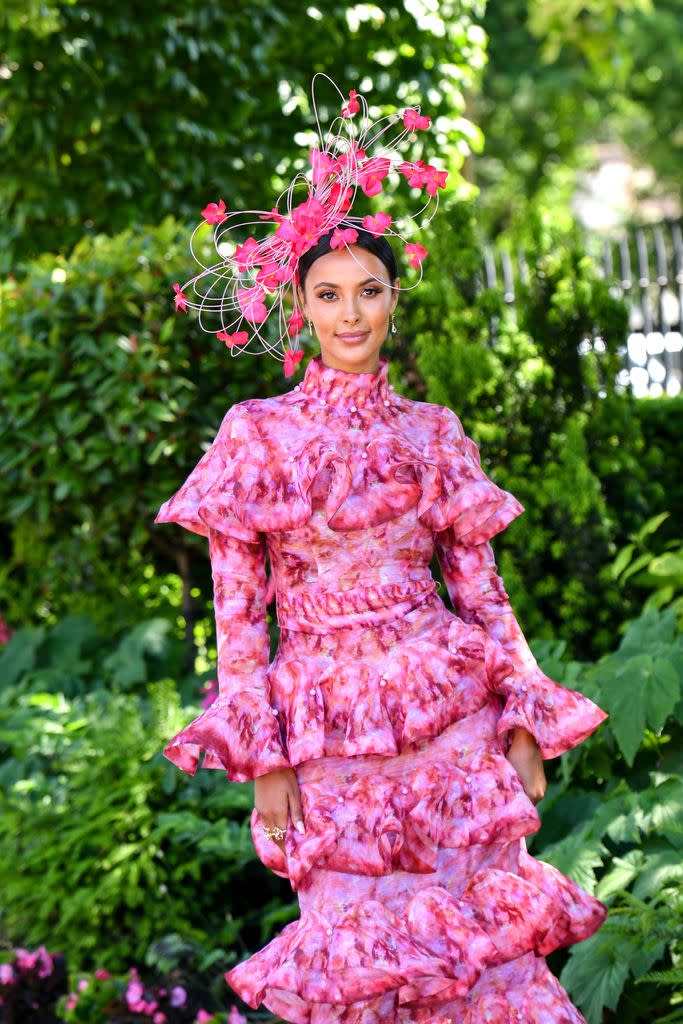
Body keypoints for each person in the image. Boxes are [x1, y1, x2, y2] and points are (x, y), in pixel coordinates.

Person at [155, 75, 608, 1024]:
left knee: (480, 946)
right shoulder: (257, 435)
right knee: (357, 953)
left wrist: (521, 713)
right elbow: (239, 618)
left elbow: (485, 596)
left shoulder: (433, 432)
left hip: (448, 715)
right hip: (321, 728)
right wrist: (264, 760)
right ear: (300, 308)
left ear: (394, 299)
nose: (350, 314)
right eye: (328, 295)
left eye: (369, 291)